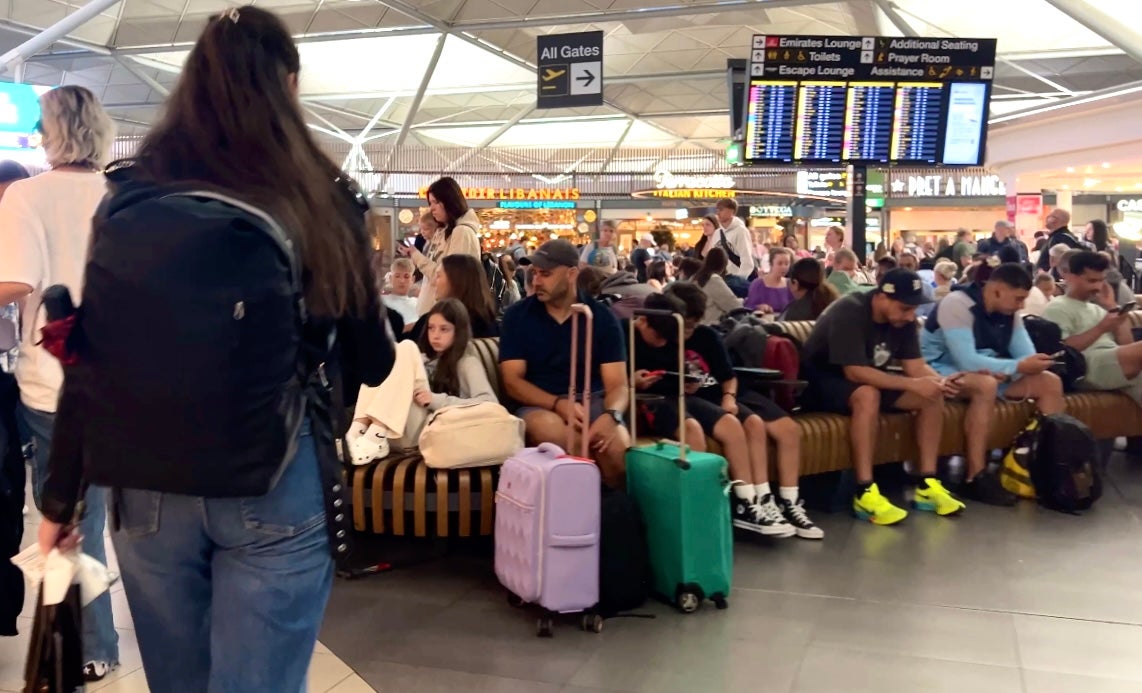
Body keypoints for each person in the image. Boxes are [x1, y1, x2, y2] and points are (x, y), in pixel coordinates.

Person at [32, 9, 395, 691]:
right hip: (274, 476)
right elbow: (372, 361)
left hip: (143, 487)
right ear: (289, 87)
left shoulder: (129, 197)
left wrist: (59, 501)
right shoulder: (323, 199)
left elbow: (91, 364)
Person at [0, 86, 120, 680]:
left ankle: (81, 647)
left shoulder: (25, 195)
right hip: (122, 382)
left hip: (52, 383)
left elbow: (15, 281)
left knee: (63, 515)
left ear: (52, 132)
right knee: (93, 514)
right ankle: (95, 641)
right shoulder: (119, 197)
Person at [629, 288, 821, 539]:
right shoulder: (654, 335)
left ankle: (759, 499)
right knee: (711, 428)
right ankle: (721, 507)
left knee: (754, 424)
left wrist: (726, 396)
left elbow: (727, 376)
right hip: (673, 400)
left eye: (690, 326)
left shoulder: (701, 337)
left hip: (712, 395)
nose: (684, 333)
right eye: (683, 326)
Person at [800, 269, 980, 526]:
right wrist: (914, 384)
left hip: (868, 380)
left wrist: (939, 383)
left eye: (914, 309)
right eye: (905, 308)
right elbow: (853, 371)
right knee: (868, 395)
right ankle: (864, 490)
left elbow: (916, 367)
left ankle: (926, 483)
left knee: (930, 395)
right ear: (882, 297)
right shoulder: (849, 310)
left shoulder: (903, 321)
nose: (910, 316)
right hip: (819, 384)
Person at [921, 263, 1064, 505]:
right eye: (1018, 299)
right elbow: (966, 360)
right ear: (997, 290)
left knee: (1050, 382)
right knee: (985, 384)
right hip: (938, 370)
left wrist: (1012, 367)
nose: (1021, 306)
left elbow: (1027, 356)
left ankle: (1043, 468)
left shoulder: (1010, 313)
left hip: (987, 371)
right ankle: (974, 475)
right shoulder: (958, 303)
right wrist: (1013, 367)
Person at [500, 239, 631, 487]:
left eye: (545, 274)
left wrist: (611, 415)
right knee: (554, 433)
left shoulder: (600, 317)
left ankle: (615, 517)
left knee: (617, 450)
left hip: (594, 400)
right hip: (540, 404)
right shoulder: (518, 316)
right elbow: (513, 382)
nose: (536, 281)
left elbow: (618, 385)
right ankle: (589, 510)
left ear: (572, 274)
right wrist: (558, 404)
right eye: (534, 273)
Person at [349, 298, 496, 461]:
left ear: (458, 331)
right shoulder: (422, 359)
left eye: (444, 329)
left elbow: (489, 403)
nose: (436, 335)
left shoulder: (466, 363)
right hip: (396, 429)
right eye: (431, 328)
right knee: (391, 355)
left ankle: (374, 433)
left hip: (426, 433)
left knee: (406, 347)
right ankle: (359, 430)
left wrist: (436, 400)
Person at [1043, 251, 1142, 408]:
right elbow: (1064, 351)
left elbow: (1126, 345)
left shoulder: (1098, 309)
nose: (1097, 287)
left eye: (1101, 281)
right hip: (1086, 366)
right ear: (1070, 277)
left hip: (1113, 362)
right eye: (1091, 280)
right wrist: (1102, 327)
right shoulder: (1057, 307)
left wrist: (1112, 307)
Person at [400, 177, 481, 313]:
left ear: (449, 201)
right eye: (430, 203)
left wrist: (416, 255)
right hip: (435, 316)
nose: (431, 208)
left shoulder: (461, 233)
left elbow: (448, 279)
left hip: (446, 317)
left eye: (435, 202)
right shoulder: (446, 232)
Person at [403, 254, 499, 342]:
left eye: (438, 276)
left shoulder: (435, 322)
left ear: (456, 282)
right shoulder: (492, 326)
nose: (433, 283)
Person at [692, 247, 743, 325]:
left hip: (696, 326)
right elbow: (734, 306)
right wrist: (746, 301)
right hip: (709, 329)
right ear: (724, 264)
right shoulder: (714, 280)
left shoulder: (695, 278)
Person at [712, 198, 756, 281]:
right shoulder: (717, 233)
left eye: (721, 210)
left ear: (731, 211)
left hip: (735, 280)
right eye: (717, 210)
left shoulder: (740, 231)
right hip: (721, 280)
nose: (717, 213)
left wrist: (739, 281)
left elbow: (746, 260)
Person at [745, 247, 794, 314]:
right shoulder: (758, 284)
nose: (784, 267)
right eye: (780, 263)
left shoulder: (790, 284)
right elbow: (748, 307)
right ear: (771, 264)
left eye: (786, 264)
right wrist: (759, 307)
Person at [385, 257, 420, 327]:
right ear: (391, 278)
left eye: (406, 277)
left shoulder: (418, 304)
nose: (402, 281)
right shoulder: (381, 302)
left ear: (412, 280)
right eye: (397, 276)